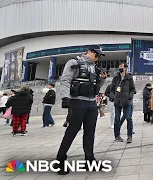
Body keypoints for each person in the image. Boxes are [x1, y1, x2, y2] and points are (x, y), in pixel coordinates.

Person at [55, 45, 106, 175]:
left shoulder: (95, 68)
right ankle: (60, 160)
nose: (98, 58)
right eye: (97, 55)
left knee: (90, 132)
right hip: (77, 102)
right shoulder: (74, 63)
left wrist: (103, 79)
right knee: (72, 131)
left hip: (91, 104)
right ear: (89, 52)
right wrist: (65, 97)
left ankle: (90, 161)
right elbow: (65, 80)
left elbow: (97, 86)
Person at [110, 63, 136, 143]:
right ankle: (117, 136)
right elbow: (111, 89)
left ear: (125, 68)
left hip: (127, 101)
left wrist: (129, 97)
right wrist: (114, 97)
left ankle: (129, 136)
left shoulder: (129, 77)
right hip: (117, 101)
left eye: (121, 66)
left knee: (128, 118)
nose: (120, 68)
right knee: (117, 119)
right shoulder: (115, 77)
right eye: (119, 66)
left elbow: (133, 89)